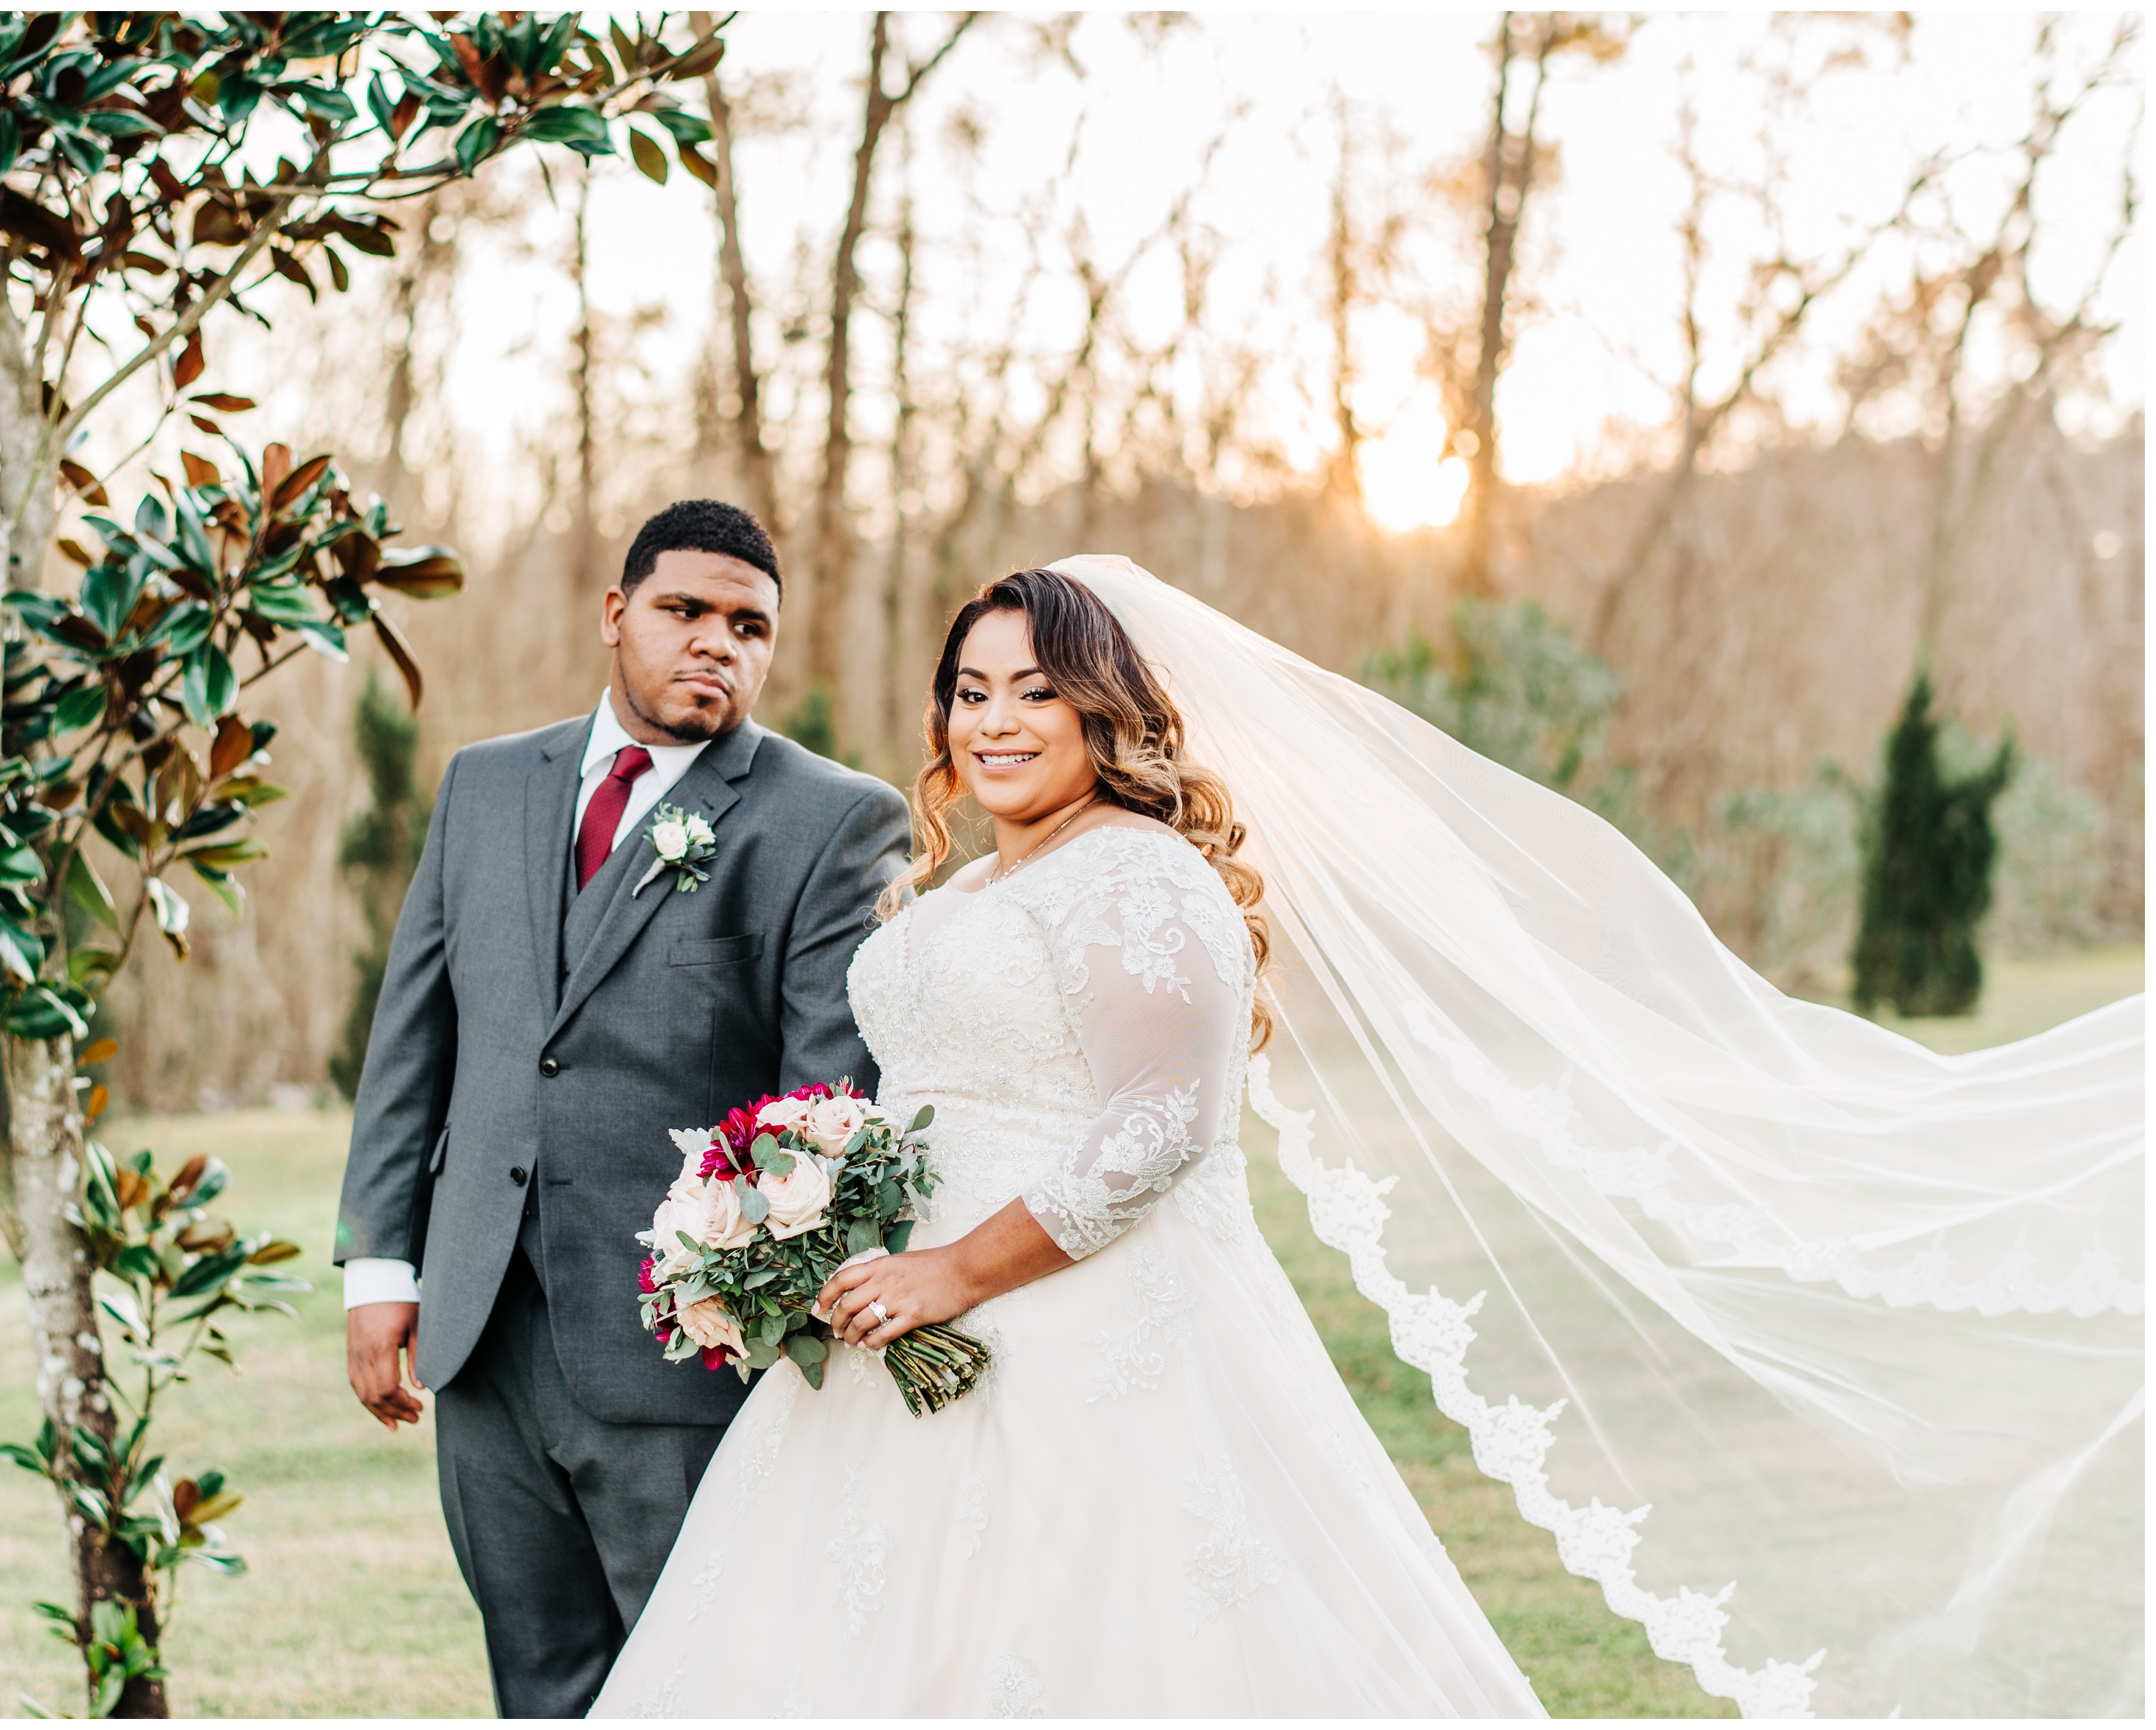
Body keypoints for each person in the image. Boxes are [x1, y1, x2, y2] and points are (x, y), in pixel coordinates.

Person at [595, 558, 2143, 1717]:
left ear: (1108, 712)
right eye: (972, 689)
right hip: (901, 1342)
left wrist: (956, 1273)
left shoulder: (1141, 877)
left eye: (1037, 691)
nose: (994, 722)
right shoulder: (974, 887)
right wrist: (806, 1203)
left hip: (1075, 1333)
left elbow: (1159, 1125)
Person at [335, 498, 911, 1719]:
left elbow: (830, 1102)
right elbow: (414, 1040)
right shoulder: (483, 786)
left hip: (681, 1357)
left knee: (702, 1684)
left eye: (749, 625)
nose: (717, 643)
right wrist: (379, 1264)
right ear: (616, 614)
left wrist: (751, 1300)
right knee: (537, 1683)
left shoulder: (831, 820)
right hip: (482, 1331)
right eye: (685, 610)